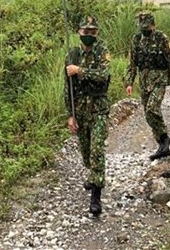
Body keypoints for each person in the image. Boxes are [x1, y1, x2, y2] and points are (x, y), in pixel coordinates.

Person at [65, 15, 111, 216]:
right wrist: (70, 115)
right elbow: (67, 88)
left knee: (96, 151)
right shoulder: (72, 55)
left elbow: (103, 75)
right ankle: (92, 175)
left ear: (97, 33)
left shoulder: (102, 52)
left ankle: (96, 196)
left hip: (99, 109)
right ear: (79, 32)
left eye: (92, 32)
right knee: (85, 153)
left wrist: (80, 71)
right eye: (86, 32)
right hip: (81, 112)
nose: (89, 35)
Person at [125, 11, 170, 160]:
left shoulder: (161, 38)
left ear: (153, 25)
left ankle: (165, 139)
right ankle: (162, 145)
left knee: (152, 108)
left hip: (159, 80)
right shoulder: (136, 39)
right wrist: (129, 82)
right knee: (149, 115)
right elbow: (132, 63)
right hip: (144, 81)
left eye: (147, 26)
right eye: (142, 26)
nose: (145, 29)